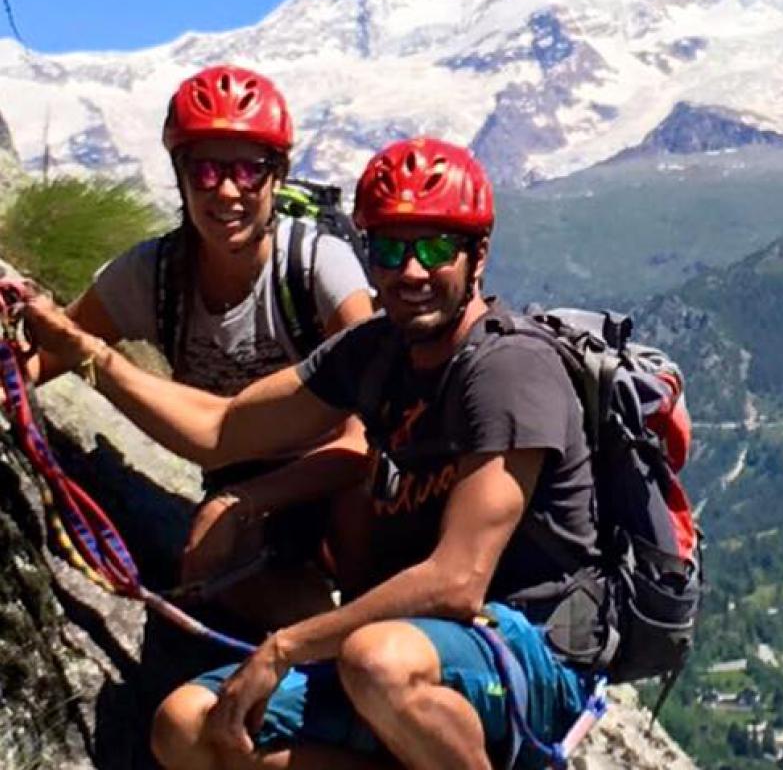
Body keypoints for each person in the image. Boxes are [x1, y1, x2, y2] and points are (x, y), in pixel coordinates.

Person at [23, 137, 601, 769]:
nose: (410, 272)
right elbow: (222, 429)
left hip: (530, 646)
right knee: (188, 728)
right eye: (389, 248)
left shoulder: (508, 369)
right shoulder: (375, 351)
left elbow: (457, 583)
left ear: (477, 254)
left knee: (376, 661)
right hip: (412, 650)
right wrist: (88, 355)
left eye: (434, 248)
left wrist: (284, 648)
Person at [27, 63, 374, 628]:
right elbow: (50, 353)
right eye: (206, 170)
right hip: (240, 474)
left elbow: (368, 437)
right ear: (181, 174)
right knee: (213, 585)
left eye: (249, 169)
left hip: (335, 476)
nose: (228, 190)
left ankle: (355, 628)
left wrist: (244, 503)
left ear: (277, 176)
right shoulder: (150, 275)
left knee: (356, 513)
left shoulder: (316, 266)